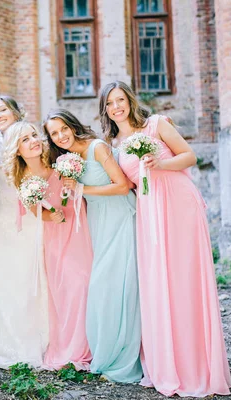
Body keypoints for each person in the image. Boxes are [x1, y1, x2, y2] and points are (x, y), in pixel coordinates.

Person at [100, 80, 231, 397]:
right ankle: (170, 362)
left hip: (178, 203)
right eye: (110, 103)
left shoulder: (156, 124)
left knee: (186, 280)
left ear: (130, 101)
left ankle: (200, 364)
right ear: (105, 110)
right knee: (160, 283)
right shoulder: (114, 145)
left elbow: (189, 156)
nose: (116, 106)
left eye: (120, 99)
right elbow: (125, 185)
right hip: (148, 214)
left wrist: (160, 163)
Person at [43, 109, 142, 381]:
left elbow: (123, 185)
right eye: (54, 133)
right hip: (96, 221)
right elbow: (70, 197)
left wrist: (81, 191)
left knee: (114, 285)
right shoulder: (67, 159)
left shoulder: (97, 148)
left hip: (119, 216)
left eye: (64, 128)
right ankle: (105, 350)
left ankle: (121, 358)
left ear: (73, 125)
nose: (61, 135)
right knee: (103, 286)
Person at [3, 121, 93, 371]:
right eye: (25, 139)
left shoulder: (59, 160)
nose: (33, 141)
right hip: (55, 235)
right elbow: (35, 212)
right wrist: (49, 215)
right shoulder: (24, 179)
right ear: (17, 150)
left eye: (34, 135)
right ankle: (71, 347)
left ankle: (92, 343)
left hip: (79, 226)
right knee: (65, 289)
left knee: (85, 282)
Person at [0, 96, 49, 369]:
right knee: (2, 277)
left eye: (2, 109)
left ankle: (38, 335)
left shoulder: (32, 137)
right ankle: (4, 335)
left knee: (31, 275)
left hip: (29, 218)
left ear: (15, 110)